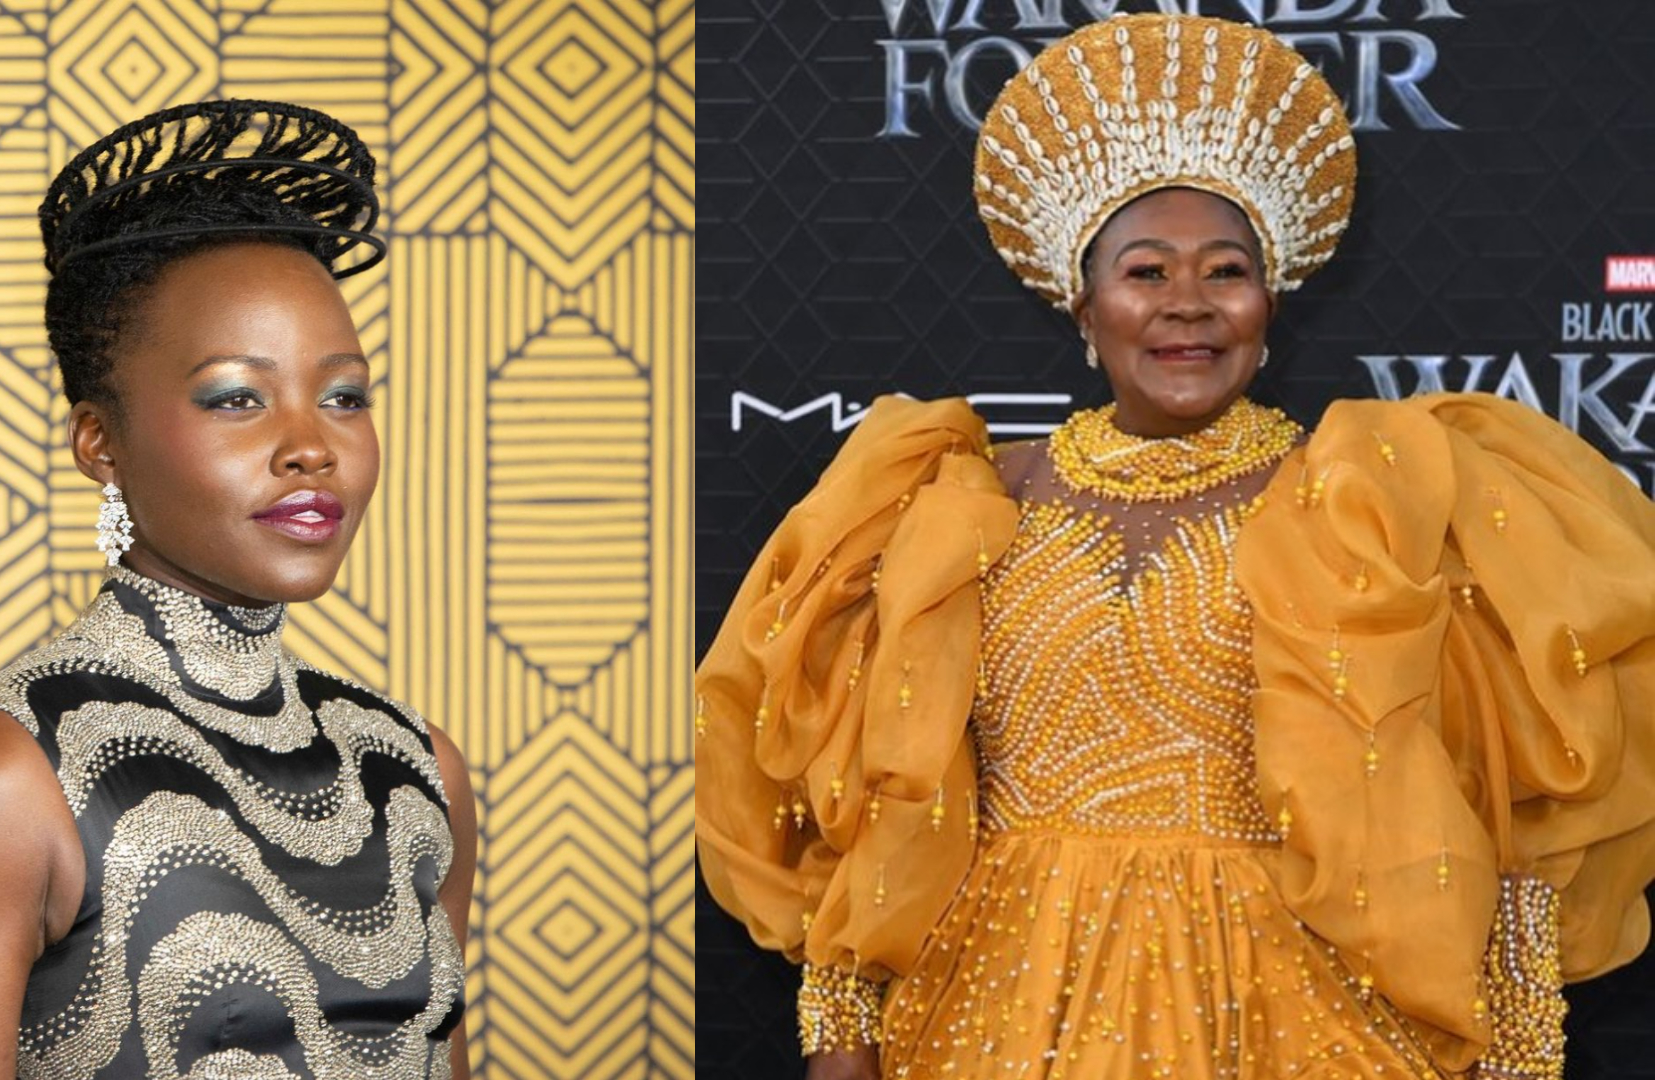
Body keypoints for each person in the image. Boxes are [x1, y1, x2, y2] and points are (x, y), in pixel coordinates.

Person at [695, 14, 1655, 1080]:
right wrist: (841, 1034)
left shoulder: (1370, 501)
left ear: (1269, 302)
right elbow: (878, 803)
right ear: (1083, 304)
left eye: (1226, 270)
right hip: (997, 1015)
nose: (1188, 303)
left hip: (1302, 1017)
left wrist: (1513, 1049)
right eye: (1146, 271)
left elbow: (1503, 803)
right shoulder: (956, 495)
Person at [0, 100, 476, 1080]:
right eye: (236, 397)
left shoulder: (413, 765)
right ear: (100, 441)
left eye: (343, 394)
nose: (312, 445)